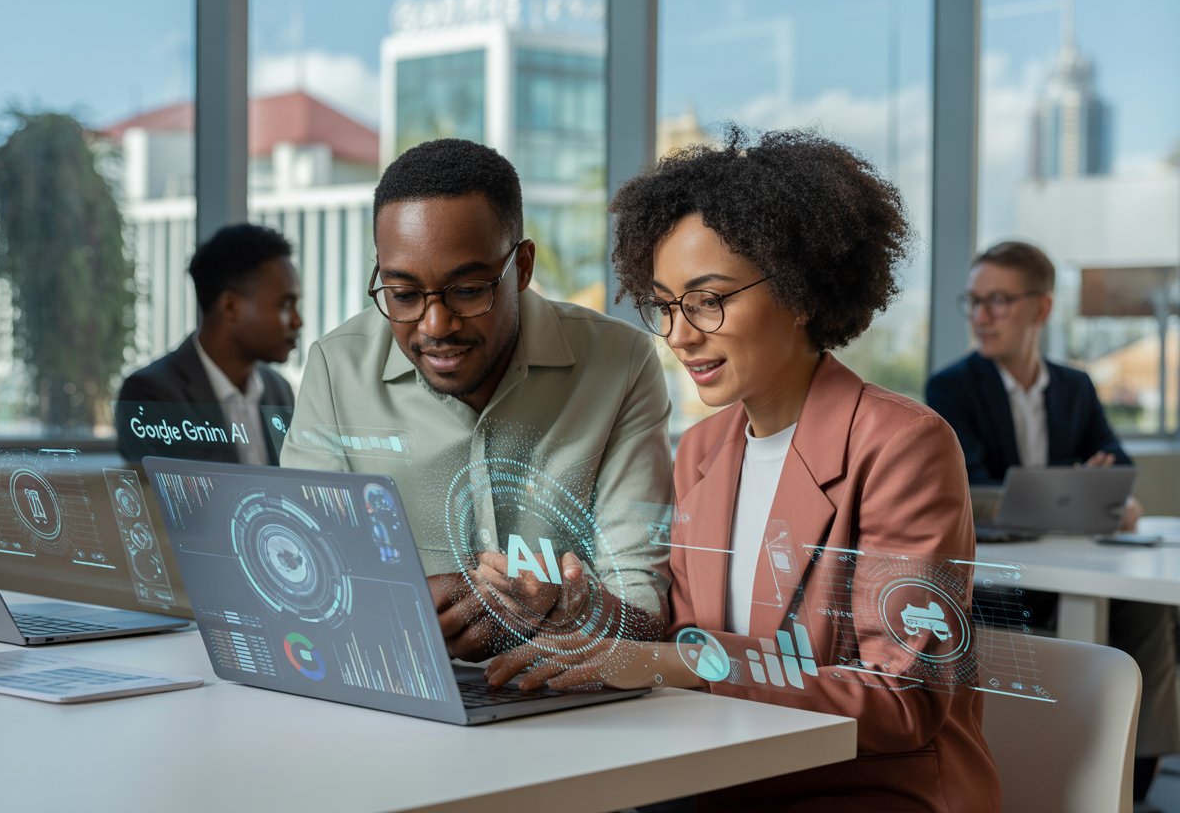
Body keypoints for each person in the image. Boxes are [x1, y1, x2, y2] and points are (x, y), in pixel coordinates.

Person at [488, 128, 1000, 811]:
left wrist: (681, 663)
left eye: (708, 299)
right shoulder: (702, 450)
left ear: (800, 291)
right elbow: (676, 633)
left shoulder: (904, 446)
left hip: (873, 789)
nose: (679, 335)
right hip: (724, 774)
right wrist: (579, 611)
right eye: (667, 306)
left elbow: (902, 700)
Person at [279, 138, 673, 662]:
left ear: (524, 266)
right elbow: (299, 579)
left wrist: (568, 608)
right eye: (403, 294)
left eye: (467, 290)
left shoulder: (620, 364)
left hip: (564, 711)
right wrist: (389, 604)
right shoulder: (336, 369)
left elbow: (643, 607)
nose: (435, 325)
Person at [926, 240, 1176, 802]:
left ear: (1041, 309)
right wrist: (1076, 485)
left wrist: (1116, 498)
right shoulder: (952, 387)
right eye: (973, 301)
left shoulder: (1074, 387)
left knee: (1147, 610)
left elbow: (1117, 468)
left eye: (997, 301)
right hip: (999, 575)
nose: (980, 316)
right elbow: (975, 489)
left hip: (1073, 563)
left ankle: (1131, 779)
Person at [116, 223, 301, 465]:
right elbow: (170, 499)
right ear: (230, 306)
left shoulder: (278, 391)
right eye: (285, 305)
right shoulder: (150, 396)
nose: (298, 321)